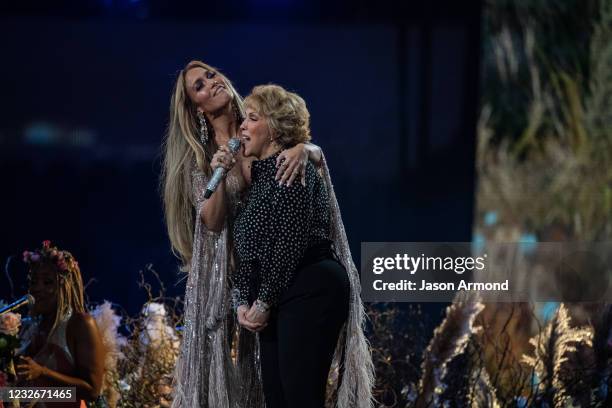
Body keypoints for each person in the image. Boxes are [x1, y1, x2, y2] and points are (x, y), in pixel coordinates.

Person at [161, 60, 325, 407]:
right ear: (197, 108)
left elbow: (307, 161)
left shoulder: (260, 122)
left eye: (211, 74)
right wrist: (217, 171)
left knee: (289, 381)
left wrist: (307, 150)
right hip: (236, 273)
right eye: (200, 85)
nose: (212, 81)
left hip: (286, 268)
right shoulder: (201, 157)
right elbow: (212, 221)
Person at [233, 84, 374, 407]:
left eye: (252, 118)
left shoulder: (292, 167)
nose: (242, 125)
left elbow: (289, 242)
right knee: (277, 399)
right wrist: (242, 300)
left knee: (300, 398)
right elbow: (248, 252)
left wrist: (263, 302)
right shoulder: (260, 180)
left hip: (310, 286)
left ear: (274, 129)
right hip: (279, 294)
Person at [18, 240, 106, 408]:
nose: (36, 288)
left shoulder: (80, 324)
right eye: (33, 282)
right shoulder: (30, 327)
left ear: (65, 286)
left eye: (48, 282)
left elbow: (92, 391)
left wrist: (43, 373)